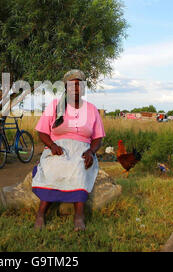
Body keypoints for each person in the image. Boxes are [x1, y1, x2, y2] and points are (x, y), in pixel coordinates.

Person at [32, 70, 105, 231]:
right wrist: (52, 146)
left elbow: (98, 138)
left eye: (79, 84)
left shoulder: (92, 109)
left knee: (80, 166)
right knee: (54, 166)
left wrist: (91, 152)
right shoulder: (55, 106)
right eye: (72, 85)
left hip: (82, 148)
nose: (76, 88)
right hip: (58, 147)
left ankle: (79, 215)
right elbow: (42, 132)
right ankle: (41, 213)